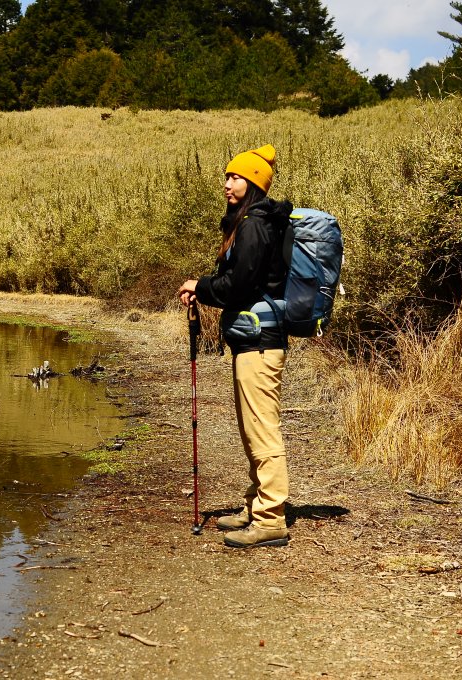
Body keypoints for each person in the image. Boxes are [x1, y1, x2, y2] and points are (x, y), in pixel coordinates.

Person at [177, 144, 293, 548]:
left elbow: (238, 285)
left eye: (235, 177)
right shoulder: (254, 223)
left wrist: (200, 286)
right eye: (227, 177)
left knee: (262, 432)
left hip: (261, 343)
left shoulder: (255, 225)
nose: (227, 184)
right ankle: (256, 504)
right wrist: (206, 288)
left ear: (254, 183)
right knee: (251, 430)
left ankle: (271, 519)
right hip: (254, 341)